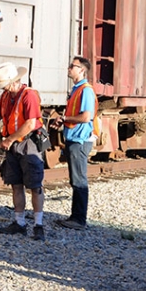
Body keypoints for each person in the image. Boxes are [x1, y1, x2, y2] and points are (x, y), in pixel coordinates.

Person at [0, 62, 48, 241]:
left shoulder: (29, 95)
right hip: (14, 143)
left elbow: (30, 123)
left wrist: (9, 139)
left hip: (28, 142)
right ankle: (19, 223)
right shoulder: (7, 96)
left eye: (3, 84)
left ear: (13, 81)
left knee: (35, 185)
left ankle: (38, 225)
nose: (2, 88)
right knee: (16, 183)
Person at [52, 56, 97, 230]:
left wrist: (65, 118)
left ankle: (79, 219)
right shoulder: (78, 89)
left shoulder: (85, 90)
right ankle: (76, 217)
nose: (69, 68)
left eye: (73, 66)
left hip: (80, 140)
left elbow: (86, 116)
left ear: (82, 70)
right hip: (75, 139)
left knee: (79, 180)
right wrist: (64, 121)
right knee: (76, 179)